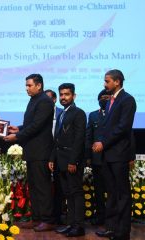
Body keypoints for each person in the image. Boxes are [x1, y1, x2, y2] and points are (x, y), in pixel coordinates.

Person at [4, 73, 55, 232]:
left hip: (41, 151)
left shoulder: (45, 101)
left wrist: (17, 136)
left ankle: (47, 220)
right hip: (33, 151)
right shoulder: (34, 100)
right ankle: (37, 218)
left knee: (42, 187)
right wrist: (18, 128)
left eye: (29, 85)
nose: (26, 88)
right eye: (26, 85)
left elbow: (37, 125)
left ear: (39, 85)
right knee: (33, 186)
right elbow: (30, 123)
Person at [93, 69, 136, 240]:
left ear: (117, 82)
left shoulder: (127, 100)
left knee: (122, 194)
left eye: (107, 81)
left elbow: (123, 127)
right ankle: (111, 227)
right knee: (111, 193)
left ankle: (122, 232)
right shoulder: (110, 100)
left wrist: (103, 143)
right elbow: (106, 126)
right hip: (107, 156)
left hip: (118, 154)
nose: (105, 84)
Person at [49, 83, 86, 237]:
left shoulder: (78, 113)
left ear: (74, 96)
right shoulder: (62, 113)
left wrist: (73, 161)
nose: (63, 97)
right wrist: (52, 158)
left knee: (76, 193)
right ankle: (70, 224)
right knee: (67, 194)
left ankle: (79, 226)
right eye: (62, 95)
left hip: (71, 161)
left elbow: (79, 139)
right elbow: (56, 139)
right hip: (60, 160)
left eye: (67, 94)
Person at [85, 89, 111, 226]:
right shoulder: (93, 115)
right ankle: (100, 216)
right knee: (99, 190)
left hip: (112, 158)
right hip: (97, 159)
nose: (104, 99)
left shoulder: (115, 113)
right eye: (102, 98)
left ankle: (112, 219)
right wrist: (88, 156)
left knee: (113, 190)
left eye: (107, 97)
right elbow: (89, 136)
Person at [45, 89, 65, 225]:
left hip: (59, 153)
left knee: (59, 186)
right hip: (44, 152)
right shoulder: (40, 113)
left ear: (54, 100)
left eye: (47, 99)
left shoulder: (62, 113)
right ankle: (47, 215)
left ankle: (59, 215)